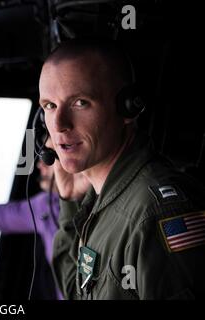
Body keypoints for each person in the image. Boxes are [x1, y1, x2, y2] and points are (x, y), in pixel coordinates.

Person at [39, 38, 205, 300]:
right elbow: (77, 292)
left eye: (80, 102)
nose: (59, 125)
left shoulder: (154, 214)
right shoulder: (101, 202)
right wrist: (69, 201)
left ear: (128, 108)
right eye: (49, 106)